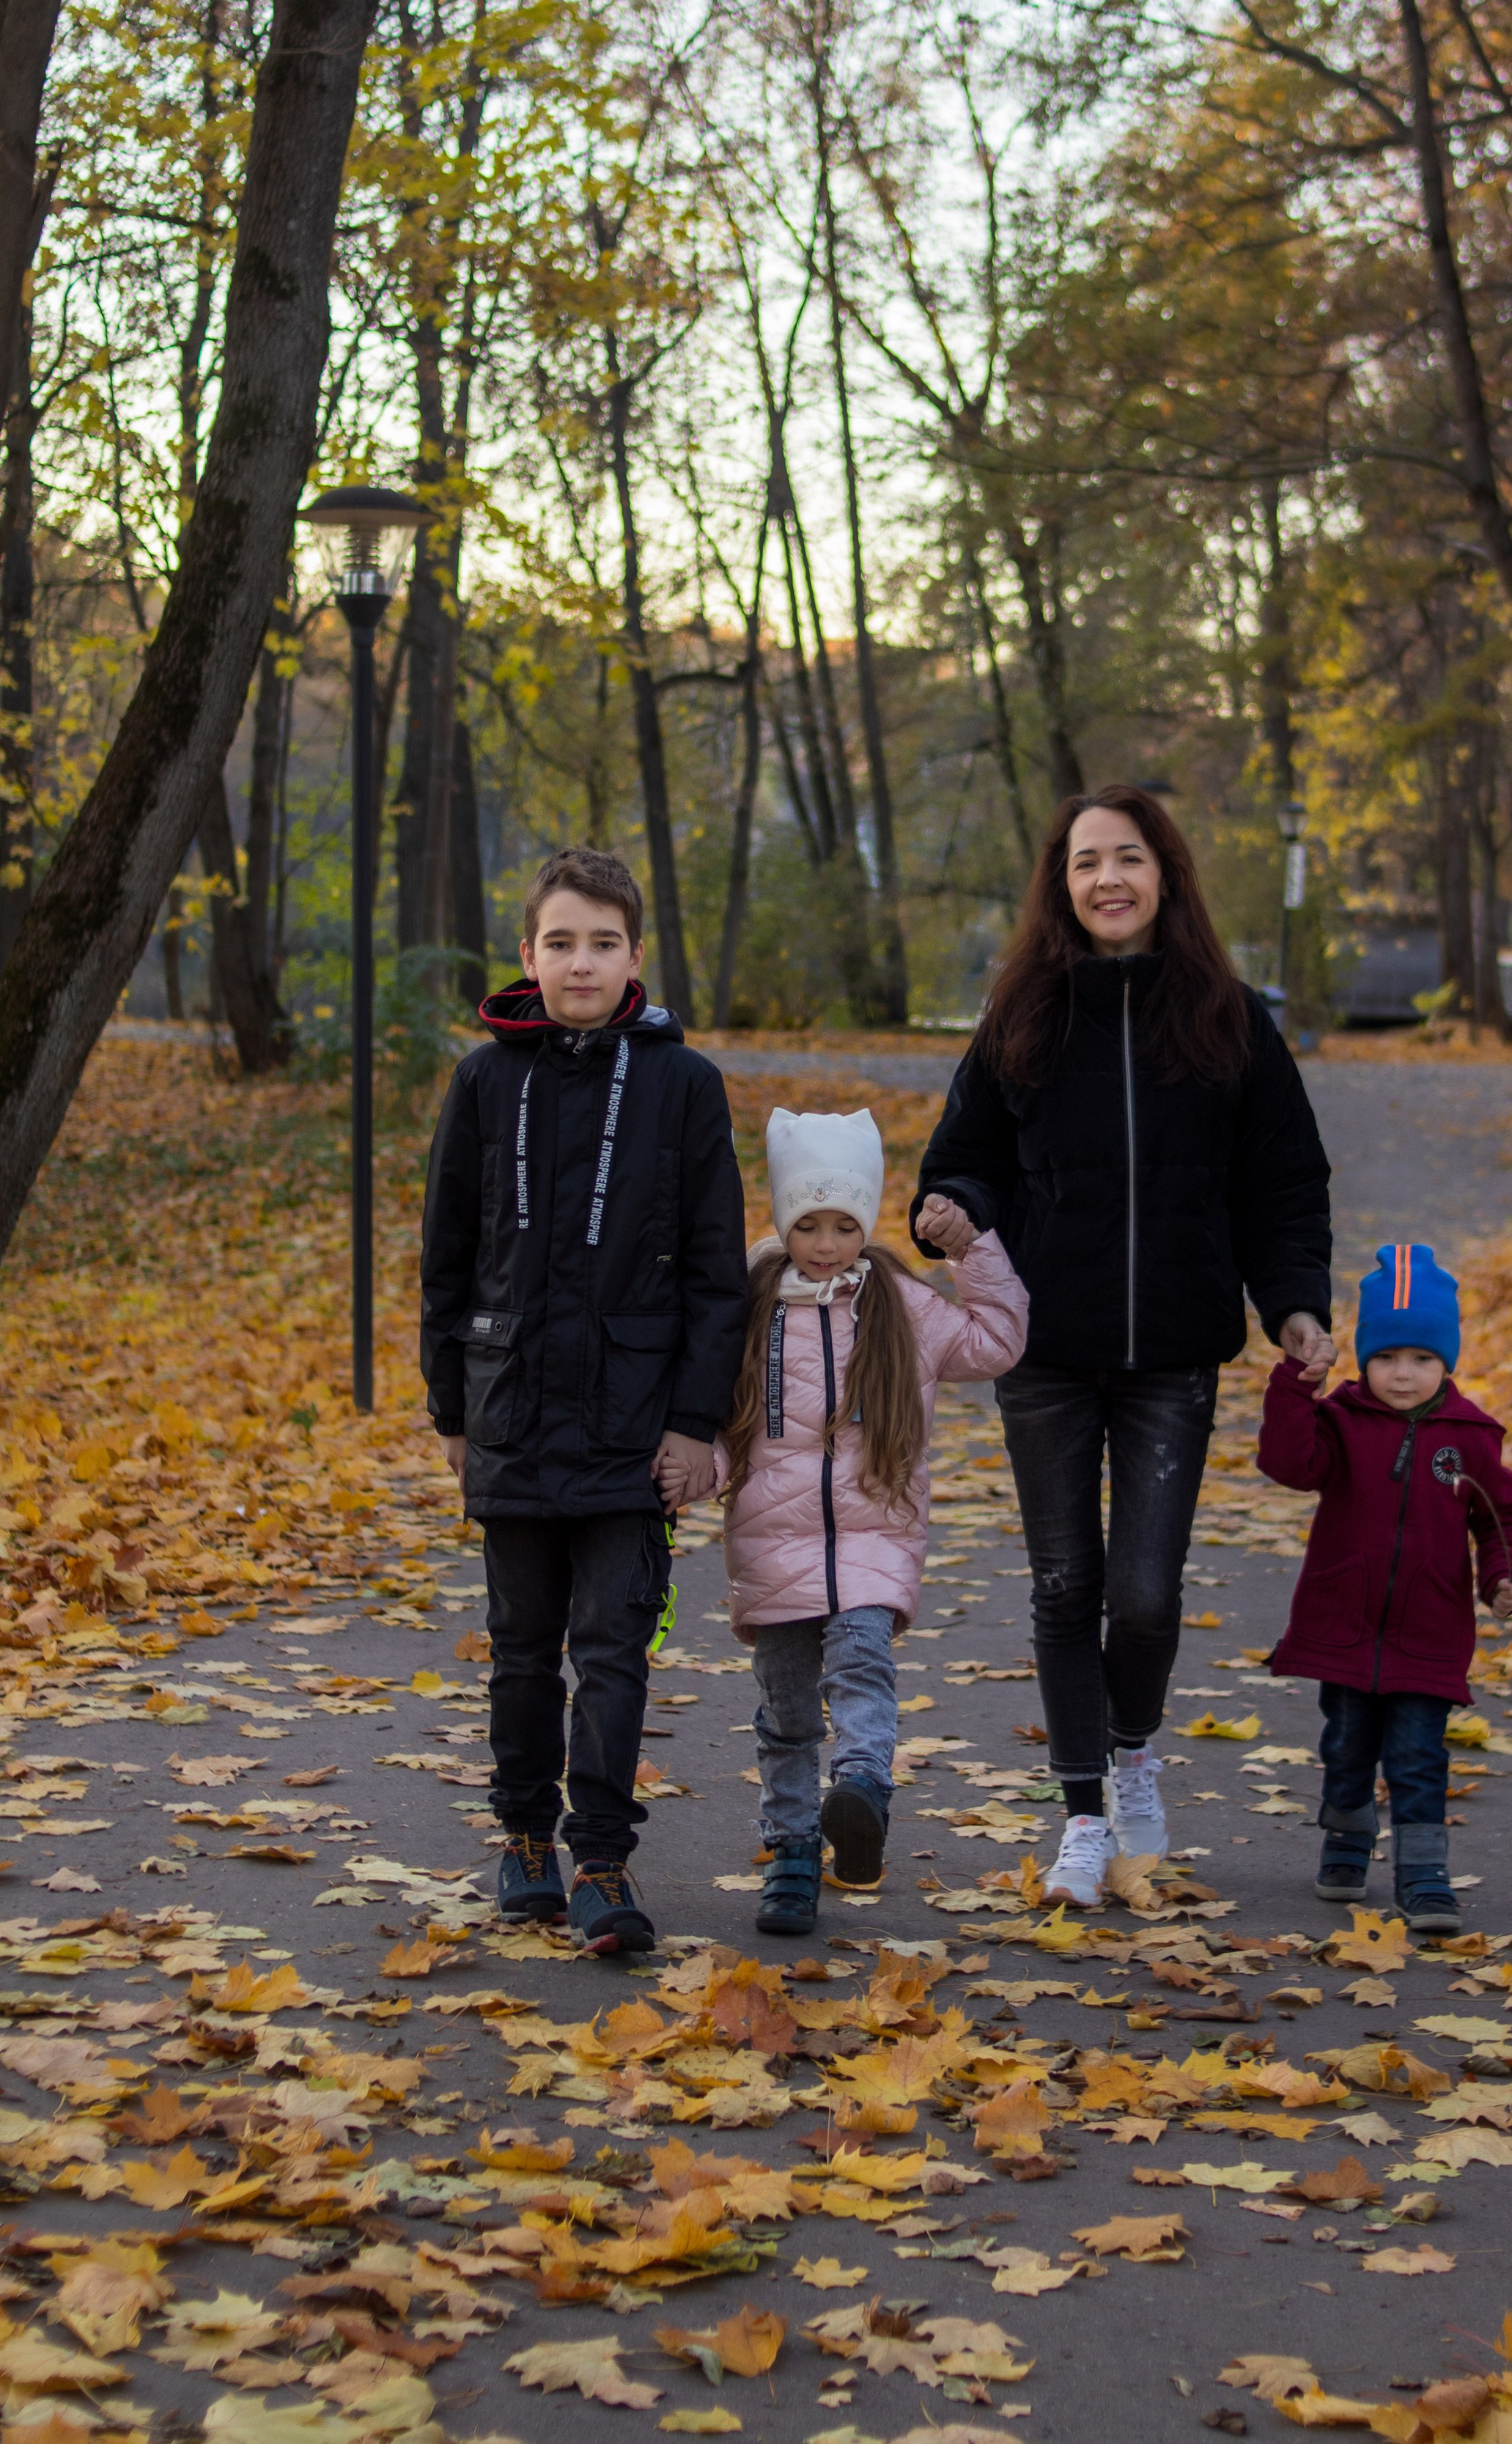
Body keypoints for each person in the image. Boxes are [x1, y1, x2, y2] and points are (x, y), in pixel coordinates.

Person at [912, 781, 1334, 1908]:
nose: (1109, 879)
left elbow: (1282, 1182)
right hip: (1045, 1349)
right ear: (1061, 882)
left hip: (1174, 1354)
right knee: (1065, 1585)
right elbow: (968, 1154)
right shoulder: (1022, 1016)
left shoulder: (1231, 1020)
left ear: (1167, 876)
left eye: (1130, 858)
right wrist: (950, 1208)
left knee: (1144, 1595)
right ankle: (1085, 1815)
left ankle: (1135, 1748)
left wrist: (1293, 1302)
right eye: (1088, 860)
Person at [420, 844, 746, 1957]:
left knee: (615, 1649)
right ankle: (524, 1842)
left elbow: (715, 1274)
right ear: (527, 954)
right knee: (522, 1648)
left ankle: (602, 1857)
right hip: (510, 1413)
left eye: (603, 943)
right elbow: (446, 1259)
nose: (581, 961)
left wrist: (697, 1422)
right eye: (560, 941)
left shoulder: (682, 1085)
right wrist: (450, 1412)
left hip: (630, 1430)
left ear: (635, 957)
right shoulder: (483, 1081)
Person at [698, 1105, 1028, 1937]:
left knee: (861, 1665)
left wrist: (969, 1249)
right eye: (807, 1223)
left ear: (867, 1220)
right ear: (782, 1219)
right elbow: (710, 1408)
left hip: (875, 1536)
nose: (826, 1242)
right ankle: (793, 1847)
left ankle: (861, 1791)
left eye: (845, 1223)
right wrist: (695, 1466)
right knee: (786, 1713)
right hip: (771, 1545)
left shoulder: (900, 1305)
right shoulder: (750, 1303)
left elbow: (996, 1340)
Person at [1261, 1240, 1512, 1936]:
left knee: (1417, 1755)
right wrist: (1296, 1386)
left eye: (1421, 1359)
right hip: (1346, 1618)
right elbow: (1288, 1463)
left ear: (1447, 1362)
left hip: (1430, 1628)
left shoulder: (1471, 1436)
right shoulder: (1342, 1421)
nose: (1402, 1375)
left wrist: (1505, 1574)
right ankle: (1347, 1841)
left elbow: (1501, 1517)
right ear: (1363, 1359)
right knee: (1347, 1743)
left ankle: (1424, 1874)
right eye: (1385, 1358)